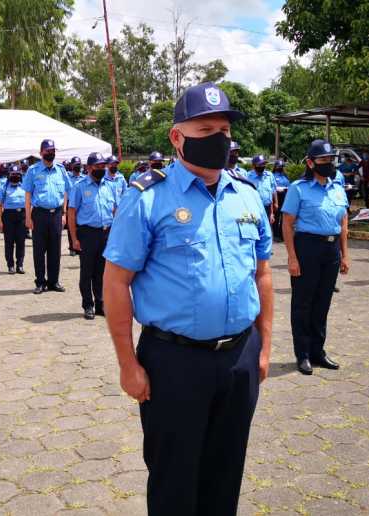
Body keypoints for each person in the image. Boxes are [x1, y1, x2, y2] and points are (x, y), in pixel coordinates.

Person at [103, 83, 273, 516]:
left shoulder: (247, 195)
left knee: (225, 473)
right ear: (177, 137)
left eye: (224, 129)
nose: (219, 137)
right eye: (205, 128)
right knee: (174, 480)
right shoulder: (147, 197)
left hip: (239, 358)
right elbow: (116, 283)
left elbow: (263, 274)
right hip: (173, 363)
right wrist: (128, 364)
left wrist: (265, 347)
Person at [281, 139, 350, 376]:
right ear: (311, 163)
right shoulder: (298, 188)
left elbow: (343, 222)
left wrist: (344, 255)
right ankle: (302, 355)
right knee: (303, 303)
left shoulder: (338, 188)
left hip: (331, 250)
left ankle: (318, 351)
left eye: (331, 160)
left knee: (322, 303)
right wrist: (291, 257)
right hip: (307, 247)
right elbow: (287, 224)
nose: (329, 164)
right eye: (323, 160)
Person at [68, 152, 118, 320]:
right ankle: (87, 305)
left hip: (106, 233)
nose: (101, 169)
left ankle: (100, 304)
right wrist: (74, 238)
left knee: (102, 272)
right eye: (97, 166)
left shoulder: (109, 185)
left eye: (103, 166)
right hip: (87, 233)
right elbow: (72, 213)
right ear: (89, 168)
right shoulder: (80, 186)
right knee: (87, 272)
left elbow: (115, 210)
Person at [23, 139, 71, 294]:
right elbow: (28, 194)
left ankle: (53, 281)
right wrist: (28, 217)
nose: (50, 153)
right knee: (39, 249)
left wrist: (63, 212)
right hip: (39, 214)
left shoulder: (61, 170)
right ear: (41, 152)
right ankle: (40, 282)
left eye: (52, 150)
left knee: (55, 249)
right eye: (47, 151)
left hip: (56, 213)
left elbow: (66, 191)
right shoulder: (33, 170)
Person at [0, 165, 27, 274]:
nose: (15, 176)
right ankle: (10, 265)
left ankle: (20, 265)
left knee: (21, 241)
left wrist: (29, 217)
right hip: (8, 216)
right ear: (9, 175)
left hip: (22, 215)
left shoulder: (24, 185)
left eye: (17, 174)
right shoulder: (3, 187)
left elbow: (30, 202)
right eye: (13, 174)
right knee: (9, 242)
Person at [246, 154, 278, 226]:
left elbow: (272, 192)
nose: (262, 166)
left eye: (264, 164)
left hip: (267, 209)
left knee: (268, 232)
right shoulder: (248, 176)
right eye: (260, 164)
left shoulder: (269, 176)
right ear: (253, 166)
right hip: (253, 209)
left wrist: (272, 212)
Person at [272, 160, 291, 240]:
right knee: (276, 217)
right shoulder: (272, 176)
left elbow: (288, 186)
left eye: (282, 166)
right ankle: (276, 235)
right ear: (275, 167)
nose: (280, 168)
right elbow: (273, 188)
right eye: (279, 166)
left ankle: (281, 234)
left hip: (284, 197)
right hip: (276, 197)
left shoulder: (285, 177)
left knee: (283, 217)